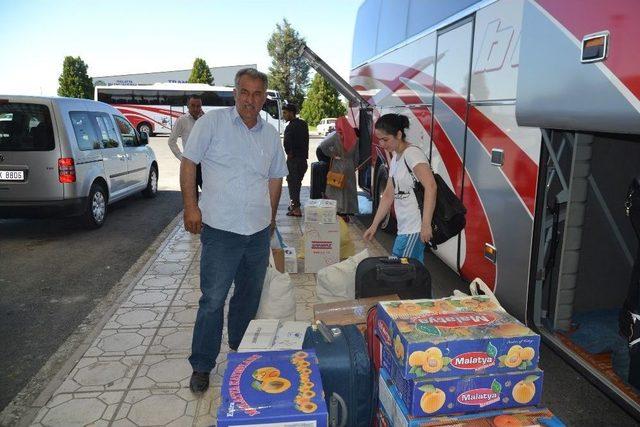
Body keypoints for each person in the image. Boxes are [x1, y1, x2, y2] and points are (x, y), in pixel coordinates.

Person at [179, 68, 288, 394]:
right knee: (212, 300)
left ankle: (241, 353)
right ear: (234, 93)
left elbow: (275, 178)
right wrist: (190, 206)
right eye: (245, 92)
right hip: (221, 229)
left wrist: (269, 220)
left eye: (257, 94)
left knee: (247, 298)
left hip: (256, 232)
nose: (250, 100)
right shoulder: (211, 124)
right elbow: (189, 163)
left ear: (264, 97)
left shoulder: (270, 135)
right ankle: (202, 364)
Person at [363, 113, 437, 264]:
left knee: (403, 274)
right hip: (404, 229)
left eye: (385, 139)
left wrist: (426, 224)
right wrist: (374, 224)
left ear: (398, 134)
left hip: (414, 229)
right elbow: (388, 195)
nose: (382, 144)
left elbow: (431, 187)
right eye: (379, 140)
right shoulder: (397, 157)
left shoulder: (412, 154)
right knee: (409, 276)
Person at [319, 117, 359, 219]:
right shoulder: (354, 137)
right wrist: (354, 165)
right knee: (348, 189)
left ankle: (339, 210)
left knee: (337, 188)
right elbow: (357, 156)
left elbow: (323, 146)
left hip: (338, 164)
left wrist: (332, 154)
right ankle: (348, 210)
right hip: (349, 165)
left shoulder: (336, 136)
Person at [168, 95, 204, 187]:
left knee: (209, 196)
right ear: (188, 106)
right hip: (190, 164)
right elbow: (171, 141)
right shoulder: (182, 120)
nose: (196, 109)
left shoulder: (206, 120)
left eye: (198, 106)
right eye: (193, 105)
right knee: (191, 197)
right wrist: (182, 157)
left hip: (206, 164)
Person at [282, 103, 309, 217]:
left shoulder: (290, 127)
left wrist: (289, 153)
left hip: (294, 161)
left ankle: (296, 209)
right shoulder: (303, 124)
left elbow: (286, 143)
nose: (284, 115)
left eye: (285, 113)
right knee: (297, 184)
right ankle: (295, 204)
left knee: (292, 184)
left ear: (291, 113)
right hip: (303, 160)